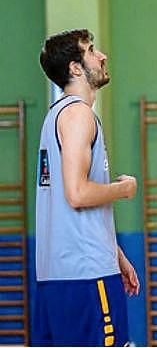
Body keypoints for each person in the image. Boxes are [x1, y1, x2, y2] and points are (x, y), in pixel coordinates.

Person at [34, 29, 140, 346]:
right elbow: (77, 194)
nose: (102, 56)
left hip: (57, 277)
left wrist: (115, 254)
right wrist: (124, 189)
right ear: (75, 68)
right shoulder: (79, 115)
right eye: (92, 50)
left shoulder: (57, 116)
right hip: (86, 276)